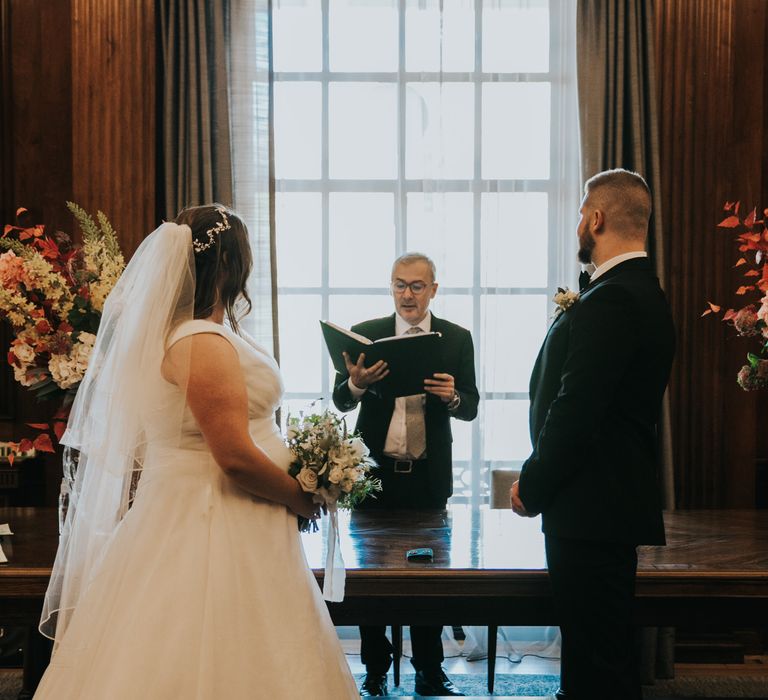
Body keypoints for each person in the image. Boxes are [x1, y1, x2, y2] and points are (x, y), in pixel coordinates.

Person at [34, 205, 358, 699]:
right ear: (229, 265)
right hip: (215, 518)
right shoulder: (201, 343)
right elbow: (231, 456)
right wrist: (298, 496)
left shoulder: (200, 334)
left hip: (227, 513)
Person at [510, 169, 675, 700]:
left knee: (597, 663)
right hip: (599, 506)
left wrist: (531, 486)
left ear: (597, 218)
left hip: (591, 506)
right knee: (594, 653)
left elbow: (575, 412)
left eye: (582, 212)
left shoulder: (615, 301)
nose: (579, 222)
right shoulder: (635, 292)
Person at [332, 253, 479, 697]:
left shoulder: (456, 338)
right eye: (399, 285)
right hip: (373, 477)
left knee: (428, 584)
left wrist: (453, 397)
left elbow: (470, 406)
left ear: (434, 289)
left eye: (417, 286)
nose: (407, 294)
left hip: (427, 478)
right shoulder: (369, 334)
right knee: (372, 582)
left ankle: (431, 674)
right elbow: (340, 400)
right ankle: (374, 673)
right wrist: (356, 383)